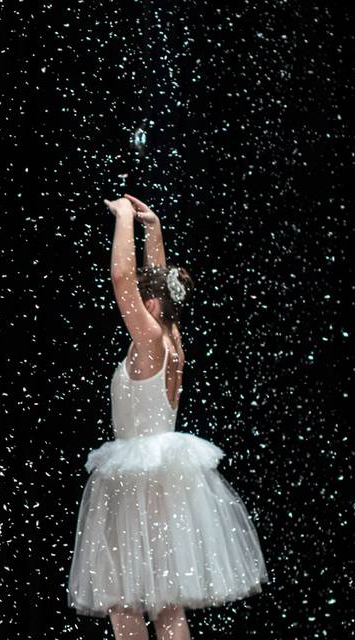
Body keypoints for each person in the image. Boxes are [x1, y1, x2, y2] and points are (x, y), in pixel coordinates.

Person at [67, 195, 267, 640]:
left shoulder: (150, 340)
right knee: (166, 603)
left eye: (145, 295)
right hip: (162, 484)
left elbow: (122, 279)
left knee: (124, 604)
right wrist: (151, 228)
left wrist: (122, 220)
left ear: (152, 305)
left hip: (138, 482)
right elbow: (154, 281)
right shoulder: (172, 336)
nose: (137, 298)